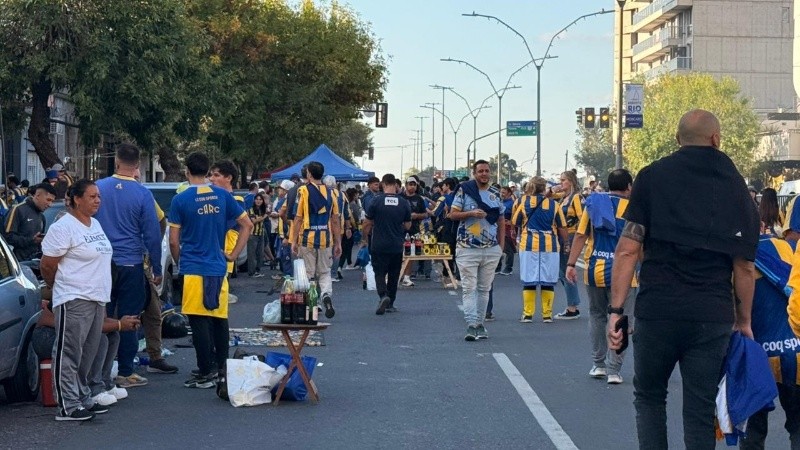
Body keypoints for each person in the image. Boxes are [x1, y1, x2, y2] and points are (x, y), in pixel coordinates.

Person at [608, 109, 759, 449]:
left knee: (649, 398)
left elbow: (627, 251)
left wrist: (616, 311)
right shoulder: (736, 187)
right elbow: (745, 267)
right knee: (700, 407)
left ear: (677, 141)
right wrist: (744, 320)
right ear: (716, 140)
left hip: (657, 309)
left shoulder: (650, 178)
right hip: (711, 315)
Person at [169, 152, 252, 389]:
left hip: (194, 266)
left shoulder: (181, 200)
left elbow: (174, 241)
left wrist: (179, 261)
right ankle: (223, 370)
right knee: (218, 319)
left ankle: (205, 370)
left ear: (187, 172)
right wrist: (234, 255)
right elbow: (247, 225)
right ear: (207, 172)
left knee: (198, 321)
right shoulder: (224, 197)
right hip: (218, 266)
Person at [40, 179, 114, 421]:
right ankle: (68, 405)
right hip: (74, 297)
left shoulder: (95, 224)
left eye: (98, 196)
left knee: (87, 353)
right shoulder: (63, 227)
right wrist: (59, 287)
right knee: (69, 352)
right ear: (76, 199)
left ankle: (82, 397)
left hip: (97, 297)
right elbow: (48, 265)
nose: (97, 201)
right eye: (92, 196)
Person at [94, 143, 162, 389]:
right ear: (138, 166)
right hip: (131, 262)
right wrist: (157, 267)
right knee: (130, 317)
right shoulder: (143, 194)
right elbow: (152, 234)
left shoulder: (98, 188)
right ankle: (125, 371)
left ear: (116, 162)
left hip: (101, 262)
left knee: (102, 315)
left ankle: (99, 371)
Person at [565, 169, 635, 385]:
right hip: (625, 274)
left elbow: (580, 235)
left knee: (597, 315)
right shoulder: (634, 208)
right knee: (622, 318)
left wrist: (570, 263)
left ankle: (598, 365)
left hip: (595, 268)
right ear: (629, 187)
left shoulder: (593, 204)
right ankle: (614, 369)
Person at [739, 230, 800, 449]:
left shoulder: (736, 256)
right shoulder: (790, 248)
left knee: (753, 432)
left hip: (754, 358)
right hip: (796, 352)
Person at [449, 160, 505, 341]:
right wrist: (471, 213)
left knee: (484, 289)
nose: (484, 174)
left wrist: (501, 246)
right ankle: (471, 325)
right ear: (474, 173)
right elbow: (452, 214)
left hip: (491, 249)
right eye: (480, 171)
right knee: (468, 288)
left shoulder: (496, 193)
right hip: (467, 248)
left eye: (487, 171)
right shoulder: (464, 190)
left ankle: (480, 324)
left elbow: (501, 219)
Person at [511, 177, 567, 324]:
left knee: (529, 279)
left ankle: (528, 314)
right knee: (548, 280)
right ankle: (547, 315)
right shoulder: (554, 205)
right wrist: (566, 243)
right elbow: (562, 226)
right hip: (550, 246)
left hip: (528, 245)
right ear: (544, 188)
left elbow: (515, 222)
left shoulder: (523, 203)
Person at [291, 161, 342, 319]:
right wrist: (338, 242)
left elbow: (298, 218)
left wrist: (293, 240)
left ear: (309, 174)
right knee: (325, 272)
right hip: (326, 239)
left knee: (308, 274)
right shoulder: (332, 192)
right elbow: (335, 219)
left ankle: (312, 305)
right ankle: (326, 296)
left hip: (307, 238)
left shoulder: (303, 191)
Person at [361, 174, 411, 315]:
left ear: (383, 184)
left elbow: (367, 223)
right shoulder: (403, 203)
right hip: (396, 244)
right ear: (395, 185)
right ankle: (391, 303)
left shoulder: (376, 201)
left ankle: (383, 296)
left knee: (380, 273)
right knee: (394, 275)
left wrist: (364, 238)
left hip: (379, 244)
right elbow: (408, 225)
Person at [555, 170, 584, 319]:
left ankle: (572, 307)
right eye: (560, 180)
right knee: (560, 271)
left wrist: (578, 237)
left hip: (571, 235)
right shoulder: (563, 198)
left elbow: (583, 218)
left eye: (563, 180)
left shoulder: (576, 198)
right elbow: (547, 195)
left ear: (571, 181)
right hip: (561, 236)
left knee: (566, 270)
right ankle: (571, 304)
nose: (561, 183)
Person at [4, 183, 56, 261]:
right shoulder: (18, 210)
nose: (50, 204)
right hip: (19, 264)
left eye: (52, 201)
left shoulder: (42, 217)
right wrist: (32, 240)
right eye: (48, 200)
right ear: (38, 195)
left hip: (35, 263)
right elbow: (7, 238)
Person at [400, 177, 429, 287]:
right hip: (400, 230)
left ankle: (407, 277)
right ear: (406, 185)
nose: (412, 186)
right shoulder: (400, 198)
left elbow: (426, 214)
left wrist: (417, 215)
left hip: (415, 230)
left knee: (410, 254)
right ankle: (398, 275)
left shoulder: (419, 199)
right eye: (410, 184)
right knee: (398, 253)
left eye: (414, 184)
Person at [247, 193, 268, 278]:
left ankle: (257, 270)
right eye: (257, 199)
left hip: (261, 233)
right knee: (252, 254)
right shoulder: (251, 210)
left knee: (260, 253)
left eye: (260, 199)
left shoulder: (263, 210)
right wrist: (264, 217)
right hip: (253, 234)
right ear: (254, 200)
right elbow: (254, 221)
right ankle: (251, 272)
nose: (258, 201)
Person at [497, 186, 516, 276]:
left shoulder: (512, 204)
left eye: (503, 192)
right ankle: (498, 267)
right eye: (501, 192)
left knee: (508, 249)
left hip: (507, 229)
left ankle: (508, 268)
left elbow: (516, 216)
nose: (501, 194)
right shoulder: (500, 202)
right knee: (498, 248)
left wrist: (511, 223)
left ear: (509, 193)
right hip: (499, 228)